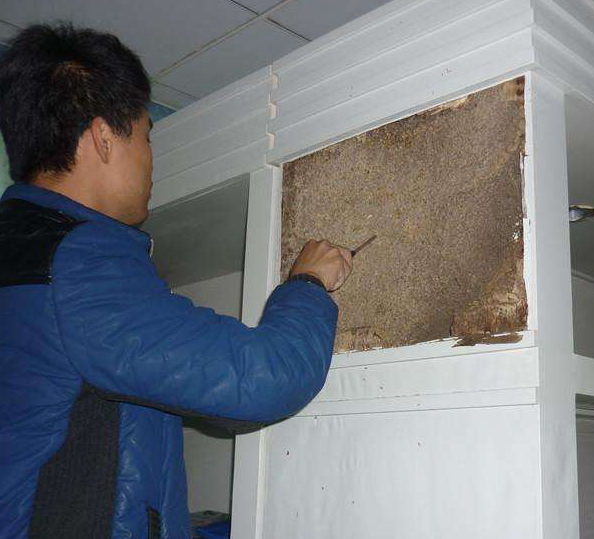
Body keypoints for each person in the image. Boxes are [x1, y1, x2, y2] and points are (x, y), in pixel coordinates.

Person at [0, 23, 352, 539]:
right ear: (103, 138)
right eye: (146, 136)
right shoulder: (77, 266)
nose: (150, 158)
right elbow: (262, 379)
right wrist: (308, 285)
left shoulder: (23, 252)